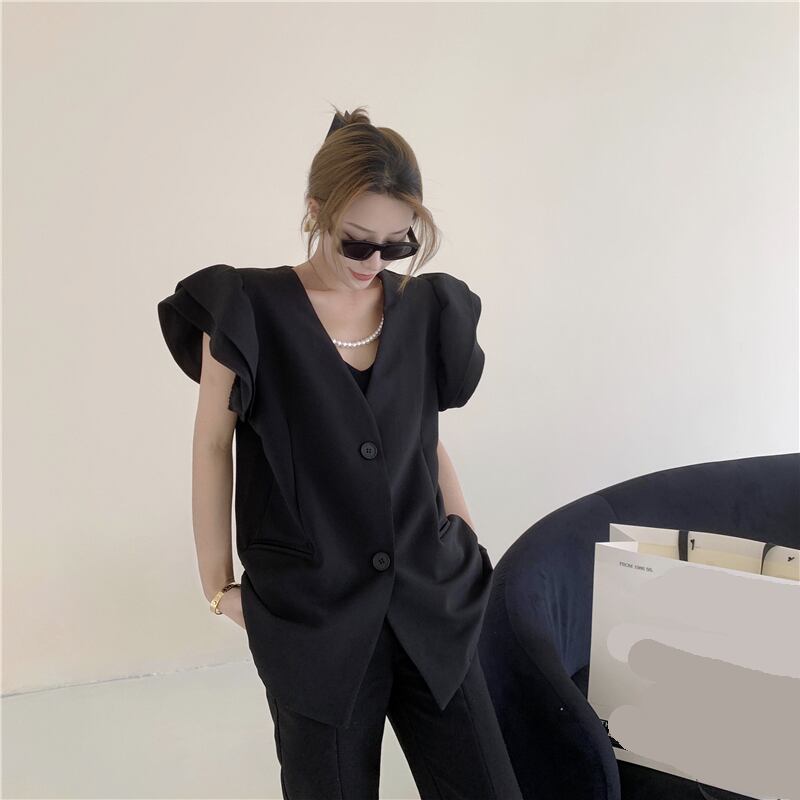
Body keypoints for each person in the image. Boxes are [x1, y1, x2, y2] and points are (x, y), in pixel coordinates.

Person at [157, 105, 523, 800]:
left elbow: (424, 441)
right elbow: (211, 445)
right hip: (313, 618)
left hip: (431, 603)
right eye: (357, 244)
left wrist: (465, 535)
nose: (374, 263)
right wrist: (218, 586)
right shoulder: (247, 310)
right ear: (314, 211)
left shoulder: (428, 309)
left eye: (396, 245)